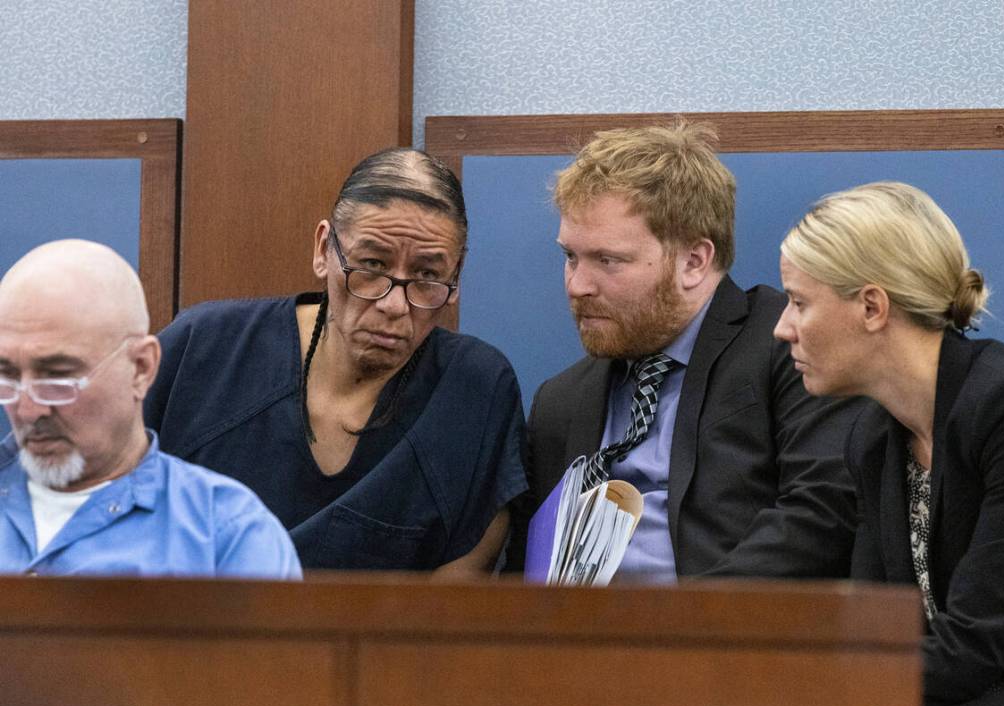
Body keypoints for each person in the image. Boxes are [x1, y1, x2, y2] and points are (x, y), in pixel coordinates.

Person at [775, 181, 1004, 706]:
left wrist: (813, 697)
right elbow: (876, 627)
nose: (782, 329)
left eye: (799, 302)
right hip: (970, 693)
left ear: (872, 307)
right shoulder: (874, 439)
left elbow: (976, 642)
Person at [145, 149, 527, 575]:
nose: (395, 304)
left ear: (456, 276)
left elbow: (452, 600)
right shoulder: (204, 351)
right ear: (324, 248)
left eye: (427, 276)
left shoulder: (473, 390)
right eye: (371, 265)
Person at [509, 121, 860, 580]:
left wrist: (690, 623)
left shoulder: (789, 348)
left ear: (694, 262)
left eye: (608, 260)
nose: (577, 285)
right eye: (570, 257)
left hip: (721, 636)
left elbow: (821, 513)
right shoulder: (560, 401)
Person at [0, 240, 300, 579]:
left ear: (141, 368)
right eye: (8, 376)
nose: (27, 409)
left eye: (58, 377)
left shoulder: (227, 537)